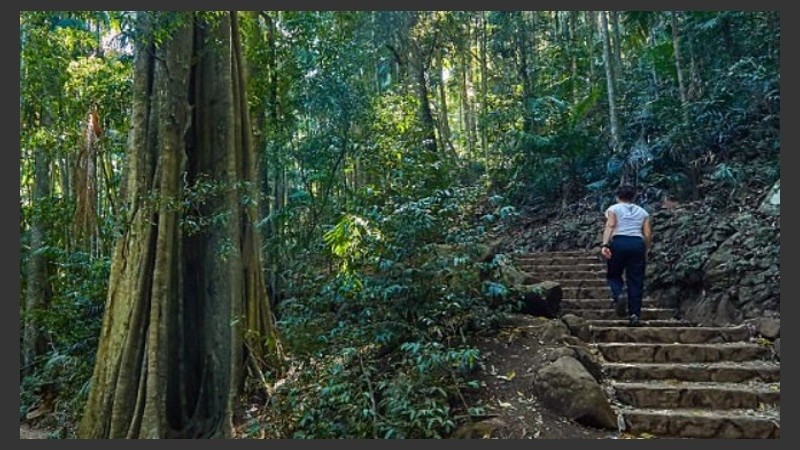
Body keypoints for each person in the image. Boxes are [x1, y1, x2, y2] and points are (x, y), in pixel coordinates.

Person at [600, 185, 652, 327]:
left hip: (619, 242)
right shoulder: (643, 212)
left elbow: (611, 225)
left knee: (613, 274)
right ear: (634, 197)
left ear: (618, 197)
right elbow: (647, 234)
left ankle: (619, 294)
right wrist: (645, 250)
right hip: (637, 244)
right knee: (636, 280)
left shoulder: (613, 209)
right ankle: (634, 315)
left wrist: (605, 244)